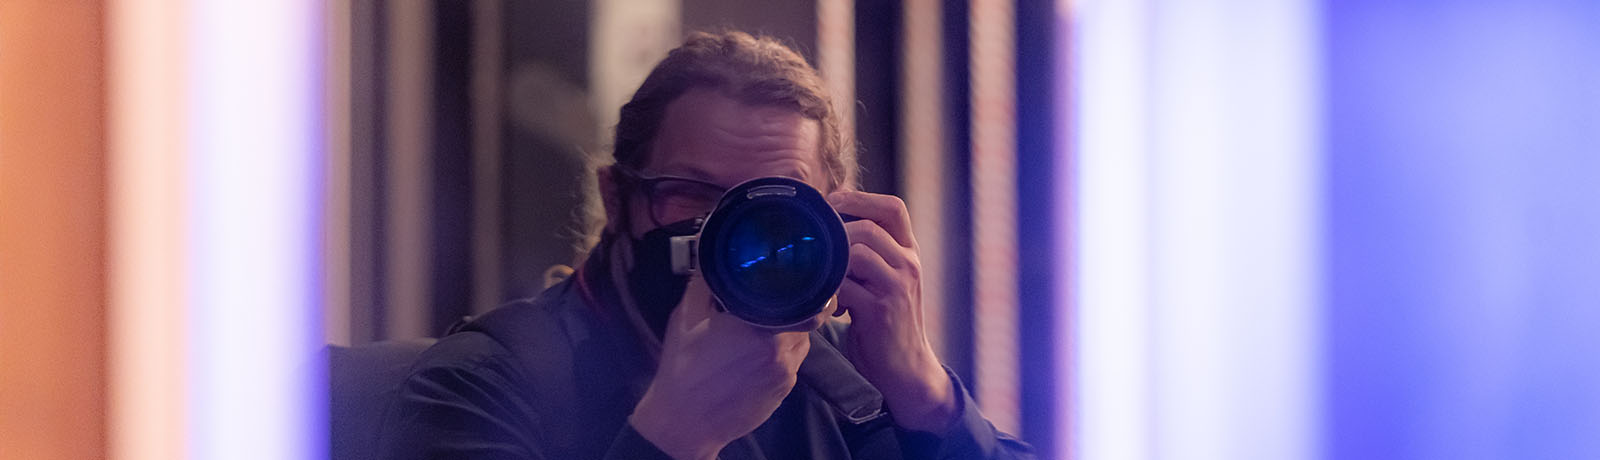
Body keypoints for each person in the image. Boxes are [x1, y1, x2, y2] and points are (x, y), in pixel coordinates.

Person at [378, 30, 1035, 460]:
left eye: (773, 201)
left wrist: (925, 394)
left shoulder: (852, 380)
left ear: (834, 207)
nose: (735, 233)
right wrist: (676, 434)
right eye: (694, 194)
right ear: (617, 198)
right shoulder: (490, 380)